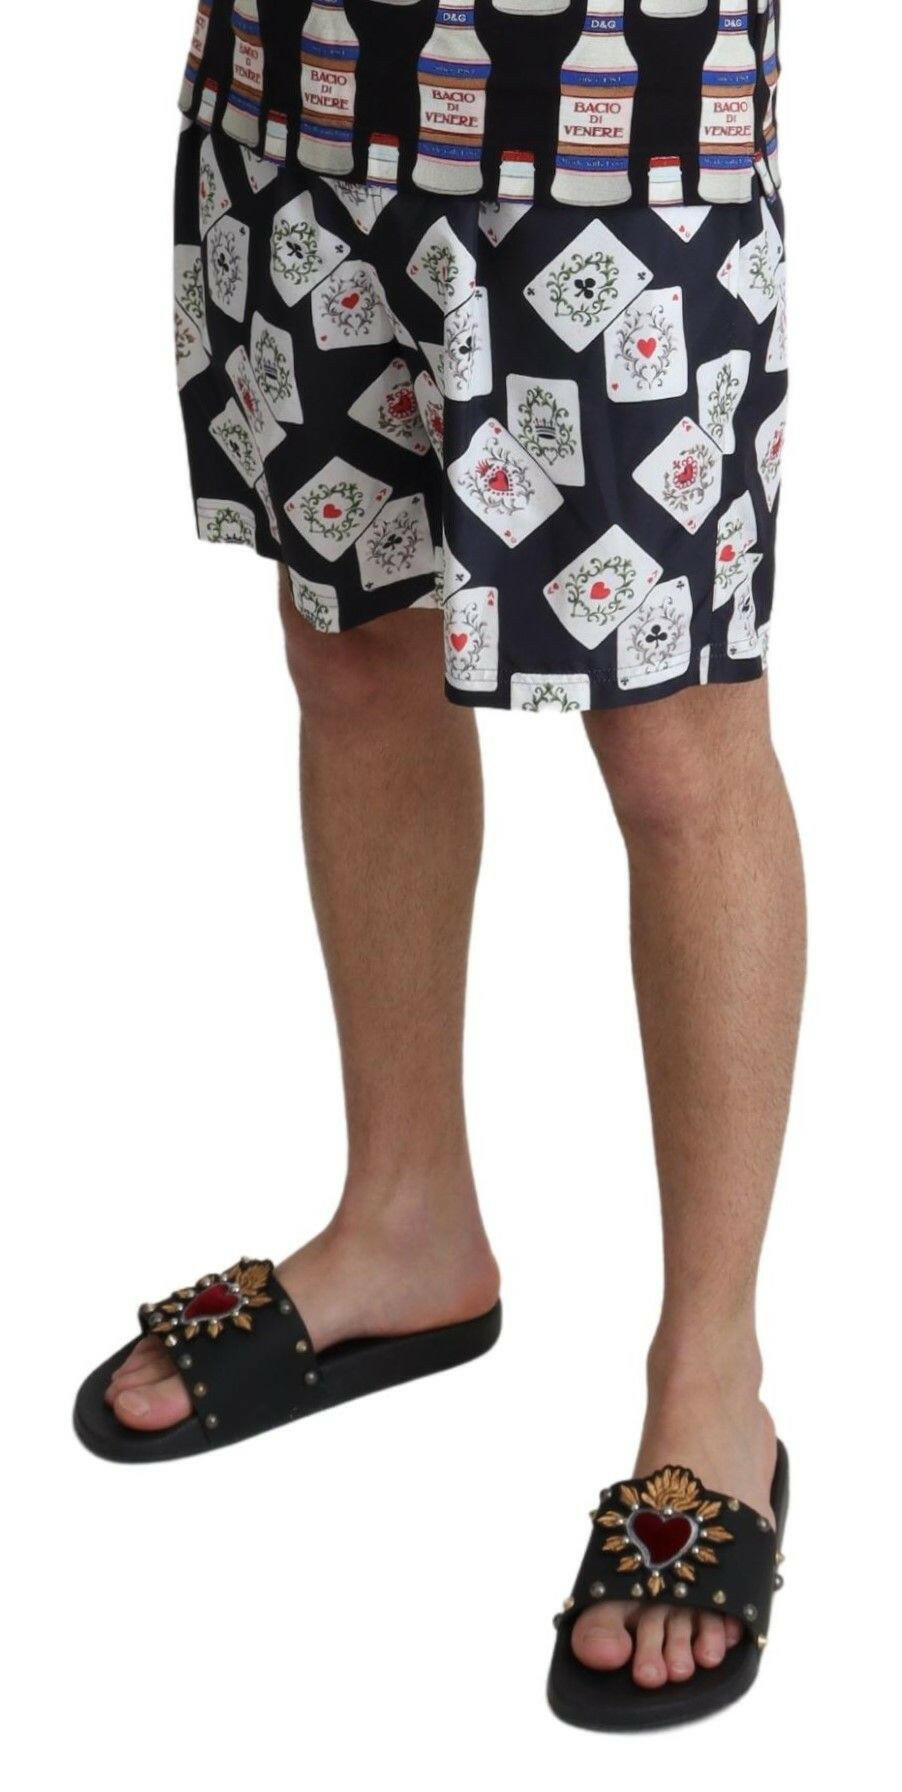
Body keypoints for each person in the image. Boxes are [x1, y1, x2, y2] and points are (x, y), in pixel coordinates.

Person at [75, 0, 801, 1730]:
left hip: (618, 115)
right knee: (348, 644)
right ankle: (407, 1225)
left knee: (673, 729)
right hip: (299, 79)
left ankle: (713, 1373)